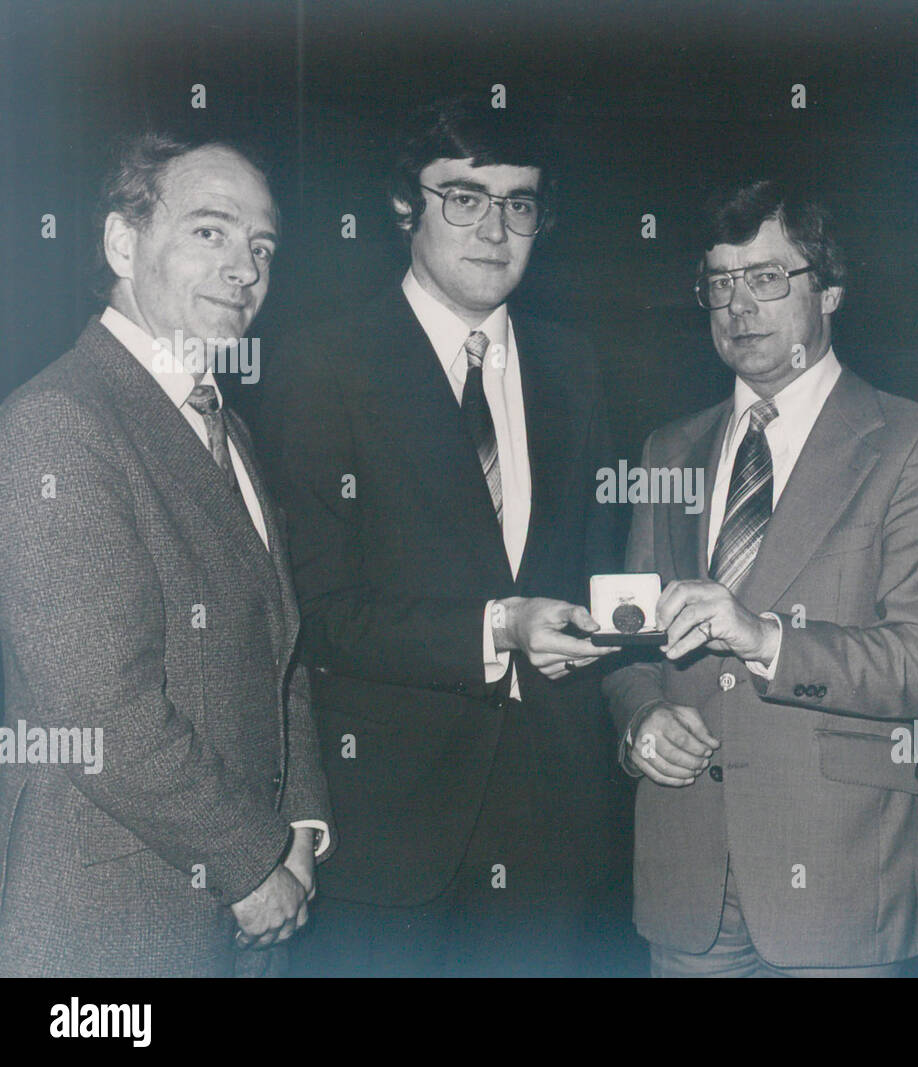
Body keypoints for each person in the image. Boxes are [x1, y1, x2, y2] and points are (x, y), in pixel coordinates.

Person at [260, 98, 635, 977]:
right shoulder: (326, 365)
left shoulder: (573, 364)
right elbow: (314, 612)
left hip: (556, 819)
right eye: (464, 198)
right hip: (392, 824)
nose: (494, 228)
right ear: (406, 209)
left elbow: (597, 567)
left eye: (519, 203)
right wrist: (497, 627)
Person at [0, 132, 332, 977]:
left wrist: (296, 833)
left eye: (262, 247)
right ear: (122, 243)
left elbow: (278, 651)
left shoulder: (225, 424)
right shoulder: (59, 421)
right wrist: (252, 860)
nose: (246, 268)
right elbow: (98, 708)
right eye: (210, 232)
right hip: (113, 919)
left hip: (233, 903)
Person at [602, 179, 918, 977]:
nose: (738, 306)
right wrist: (642, 719)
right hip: (687, 882)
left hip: (842, 885)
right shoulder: (666, 450)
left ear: (830, 291)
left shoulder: (917, 443)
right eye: (719, 283)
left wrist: (766, 640)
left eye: (766, 278)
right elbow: (626, 641)